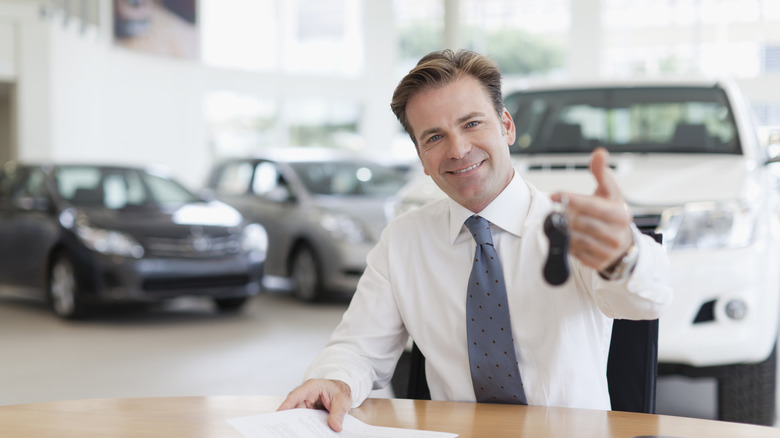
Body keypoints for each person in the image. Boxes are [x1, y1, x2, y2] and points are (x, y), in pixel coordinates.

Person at [278, 49, 672, 431]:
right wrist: (335, 380)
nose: (458, 149)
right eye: (434, 137)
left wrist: (624, 255)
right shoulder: (403, 240)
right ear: (420, 157)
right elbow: (358, 348)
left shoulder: (570, 225)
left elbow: (646, 300)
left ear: (507, 126)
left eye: (472, 124)